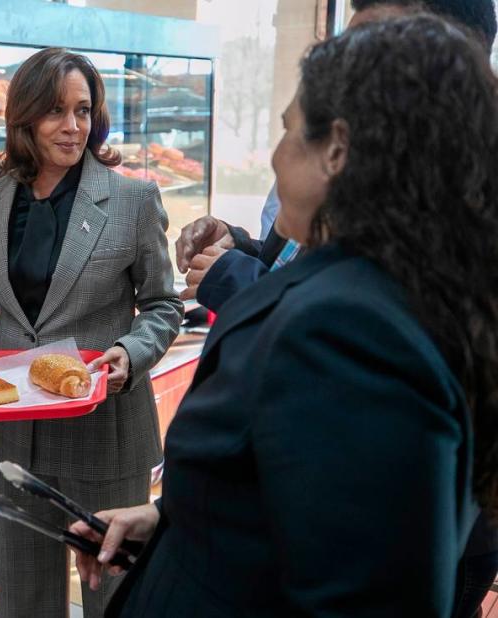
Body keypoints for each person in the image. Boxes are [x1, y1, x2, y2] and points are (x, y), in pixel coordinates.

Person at [72, 14, 498, 616]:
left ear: (338, 151)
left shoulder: (344, 334)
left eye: (289, 132)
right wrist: (178, 524)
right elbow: (304, 498)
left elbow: (361, 593)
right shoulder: (386, 286)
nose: (273, 158)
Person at [0, 48, 182, 617]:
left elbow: (164, 306)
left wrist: (128, 354)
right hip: (16, 422)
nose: (73, 127)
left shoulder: (132, 201)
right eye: (56, 112)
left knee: (113, 594)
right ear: (25, 118)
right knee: (25, 596)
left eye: (84, 111)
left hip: (103, 421)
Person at [176, 0, 498, 313]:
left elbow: (342, 320)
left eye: (371, 51)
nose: (344, 75)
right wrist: (239, 246)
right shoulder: (342, 175)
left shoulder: (442, 227)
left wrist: (239, 281)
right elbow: (294, 264)